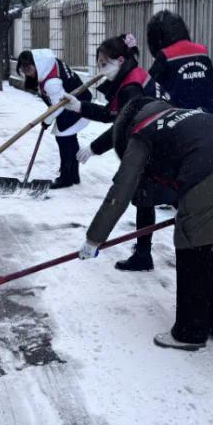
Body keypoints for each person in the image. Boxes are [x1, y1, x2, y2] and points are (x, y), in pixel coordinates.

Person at [77, 97, 213, 351]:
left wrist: (94, 238)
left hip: (212, 176)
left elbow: (122, 189)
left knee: (193, 245)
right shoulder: (182, 115)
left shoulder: (141, 132)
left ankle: (189, 332)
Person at [64, 34, 161, 271]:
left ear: (119, 60)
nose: (101, 70)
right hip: (154, 139)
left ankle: (144, 253)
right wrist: (80, 107)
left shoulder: (131, 87)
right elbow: (112, 114)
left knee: (143, 196)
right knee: (145, 198)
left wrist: (94, 148)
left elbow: (121, 124)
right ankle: (143, 252)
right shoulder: (130, 76)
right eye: (99, 65)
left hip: (154, 143)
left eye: (104, 64)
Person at [16, 49, 91, 189]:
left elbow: (58, 106)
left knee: (64, 138)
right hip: (73, 103)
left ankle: (67, 178)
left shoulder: (51, 82)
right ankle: (72, 176)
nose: (26, 71)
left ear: (35, 63)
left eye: (28, 67)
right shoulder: (46, 65)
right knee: (68, 138)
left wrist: (46, 121)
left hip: (78, 106)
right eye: (22, 67)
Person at [146, 10, 213, 114]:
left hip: (178, 120)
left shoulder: (165, 56)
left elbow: (151, 91)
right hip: (206, 118)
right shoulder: (202, 52)